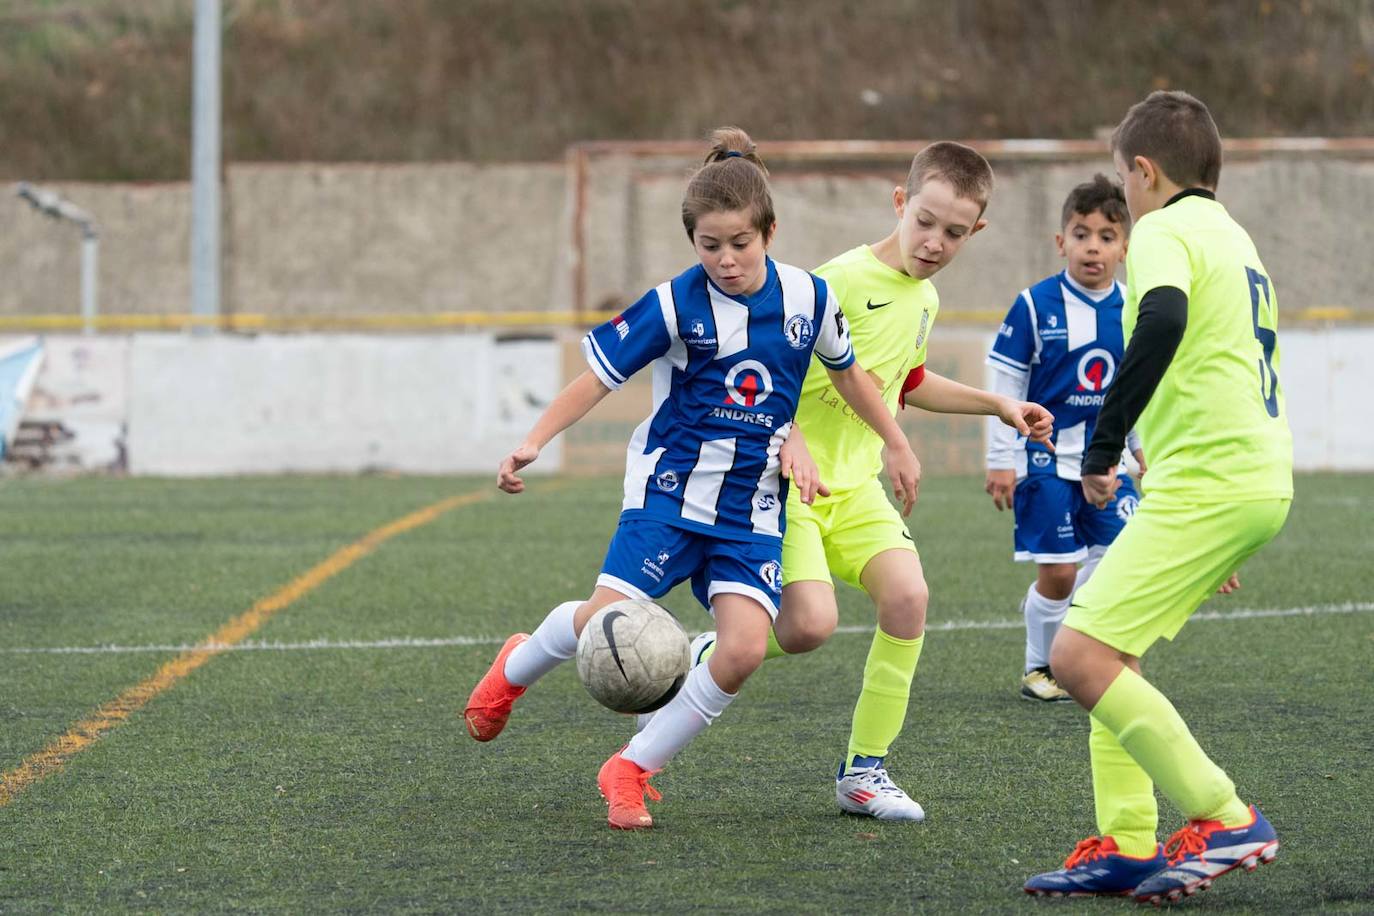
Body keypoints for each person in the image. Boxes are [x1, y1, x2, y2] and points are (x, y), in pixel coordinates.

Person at [462, 127, 922, 831]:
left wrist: (895, 439)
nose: (727, 260)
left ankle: (630, 769)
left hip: (752, 508)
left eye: (740, 242)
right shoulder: (677, 303)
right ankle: (516, 665)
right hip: (669, 497)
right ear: (693, 243)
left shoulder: (811, 299)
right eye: (710, 246)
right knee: (598, 623)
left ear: (770, 230)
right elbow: (596, 380)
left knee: (741, 651)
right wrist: (532, 441)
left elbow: (849, 374)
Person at [666, 142, 1056, 821]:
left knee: (908, 599)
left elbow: (904, 381)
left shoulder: (925, 299)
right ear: (900, 204)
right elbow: (766, 366)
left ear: (975, 232)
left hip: (855, 487)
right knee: (810, 628)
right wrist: (793, 439)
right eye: (926, 222)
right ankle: (703, 651)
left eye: (954, 232)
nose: (935, 242)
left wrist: (998, 404)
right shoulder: (838, 280)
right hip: (786, 485)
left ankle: (863, 772)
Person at [1023, 91, 1293, 904]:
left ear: (1143, 172)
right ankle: (1130, 844)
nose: (1123, 199)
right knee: (1112, 646)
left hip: (1212, 479)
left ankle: (1226, 814)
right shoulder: (1234, 237)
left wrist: (1103, 445)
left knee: (1075, 656)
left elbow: (1165, 318)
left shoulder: (1167, 230)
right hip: (1239, 475)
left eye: (1121, 181)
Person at [984, 175, 1145, 703]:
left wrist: (1143, 451)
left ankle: (1093, 660)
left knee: (1118, 566)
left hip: (1110, 464)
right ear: (1061, 243)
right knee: (1058, 575)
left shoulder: (1135, 308)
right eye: (1080, 234)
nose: (1092, 246)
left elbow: (1137, 389)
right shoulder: (1034, 305)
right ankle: (1040, 666)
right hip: (1045, 460)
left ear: (1124, 247)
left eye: (1105, 235)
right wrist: (1001, 460)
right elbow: (1004, 385)